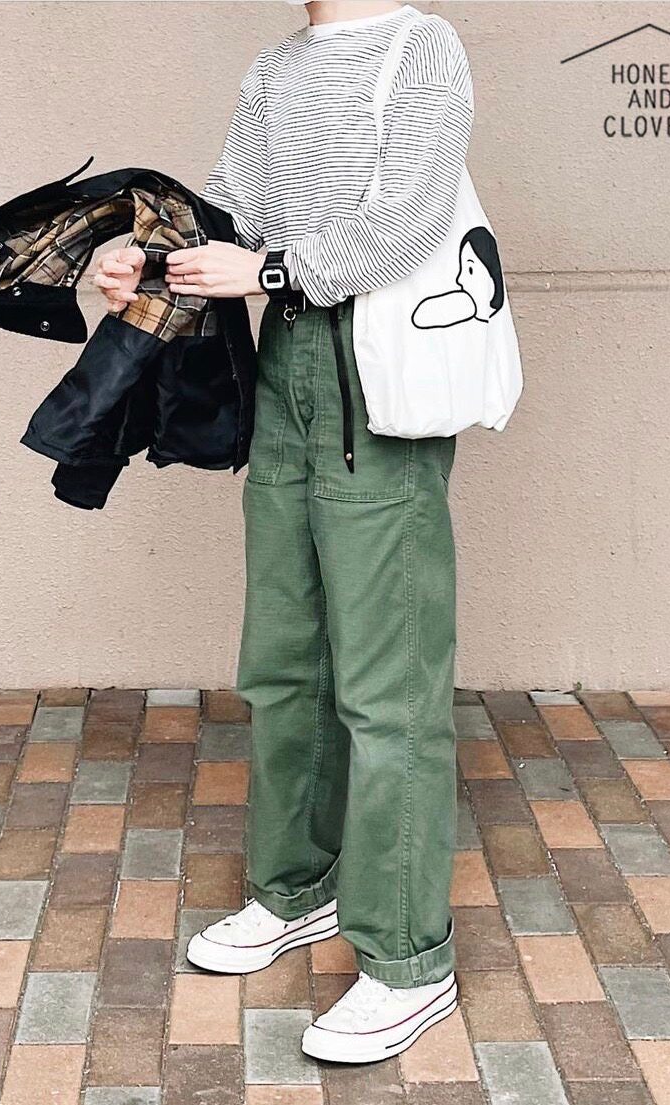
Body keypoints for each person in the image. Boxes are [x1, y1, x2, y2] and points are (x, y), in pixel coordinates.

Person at [93, 0, 473, 1065]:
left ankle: (409, 960)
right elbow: (235, 214)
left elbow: (406, 221)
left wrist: (261, 273)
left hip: (375, 368)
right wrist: (146, 259)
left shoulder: (421, 45)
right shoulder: (277, 67)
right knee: (284, 656)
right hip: (288, 361)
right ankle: (297, 888)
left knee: (388, 683)